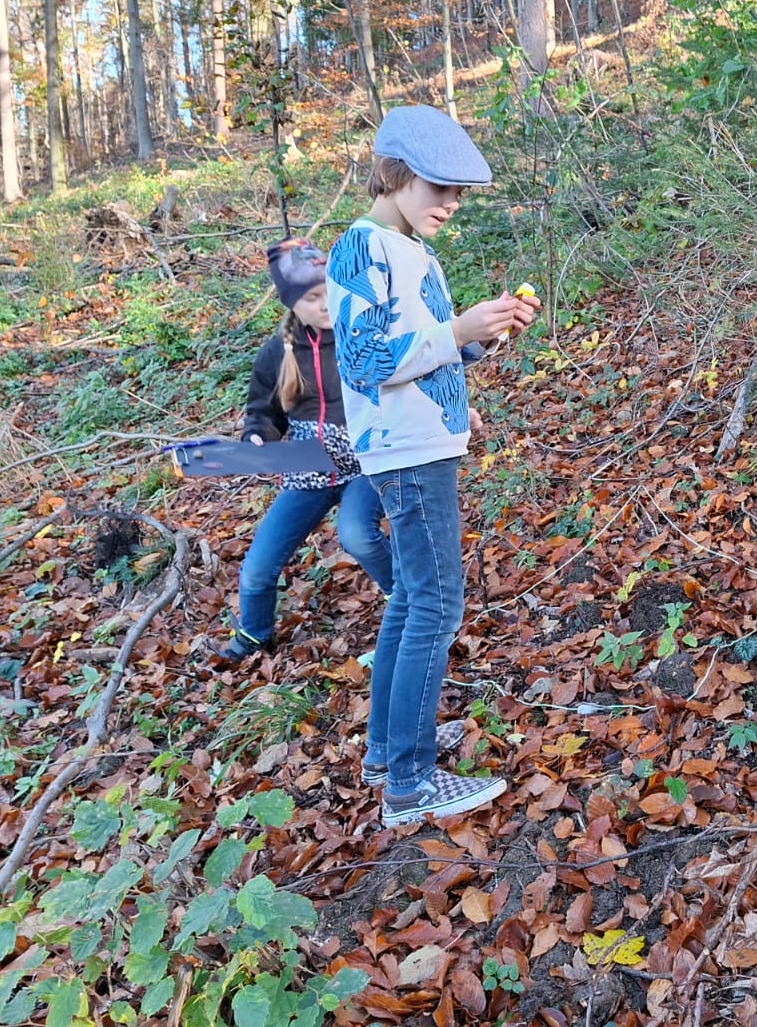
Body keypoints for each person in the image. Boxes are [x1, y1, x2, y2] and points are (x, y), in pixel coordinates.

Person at [327, 105, 538, 827]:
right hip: (406, 455)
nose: (450, 203)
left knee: (412, 601)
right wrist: (456, 331)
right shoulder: (362, 247)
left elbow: (418, 354)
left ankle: (387, 750)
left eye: (458, 193)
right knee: (436, 607)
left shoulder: (407, 247)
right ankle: (411, 785)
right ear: (394, 174)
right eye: (437, 187)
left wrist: (479, 342)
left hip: (423, 442)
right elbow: (364, 361)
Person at [218, 237, 402, 665]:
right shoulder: (277, 353)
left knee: (356, 534)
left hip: (365, 462)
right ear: (291, 304)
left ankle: (408, 599)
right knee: (257, 568)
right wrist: (257, 437)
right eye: (312, 298)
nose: (325, 305)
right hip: (308, 468)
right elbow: (262, 412)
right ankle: (254, 634)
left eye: (330, 293)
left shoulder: (362, 336)